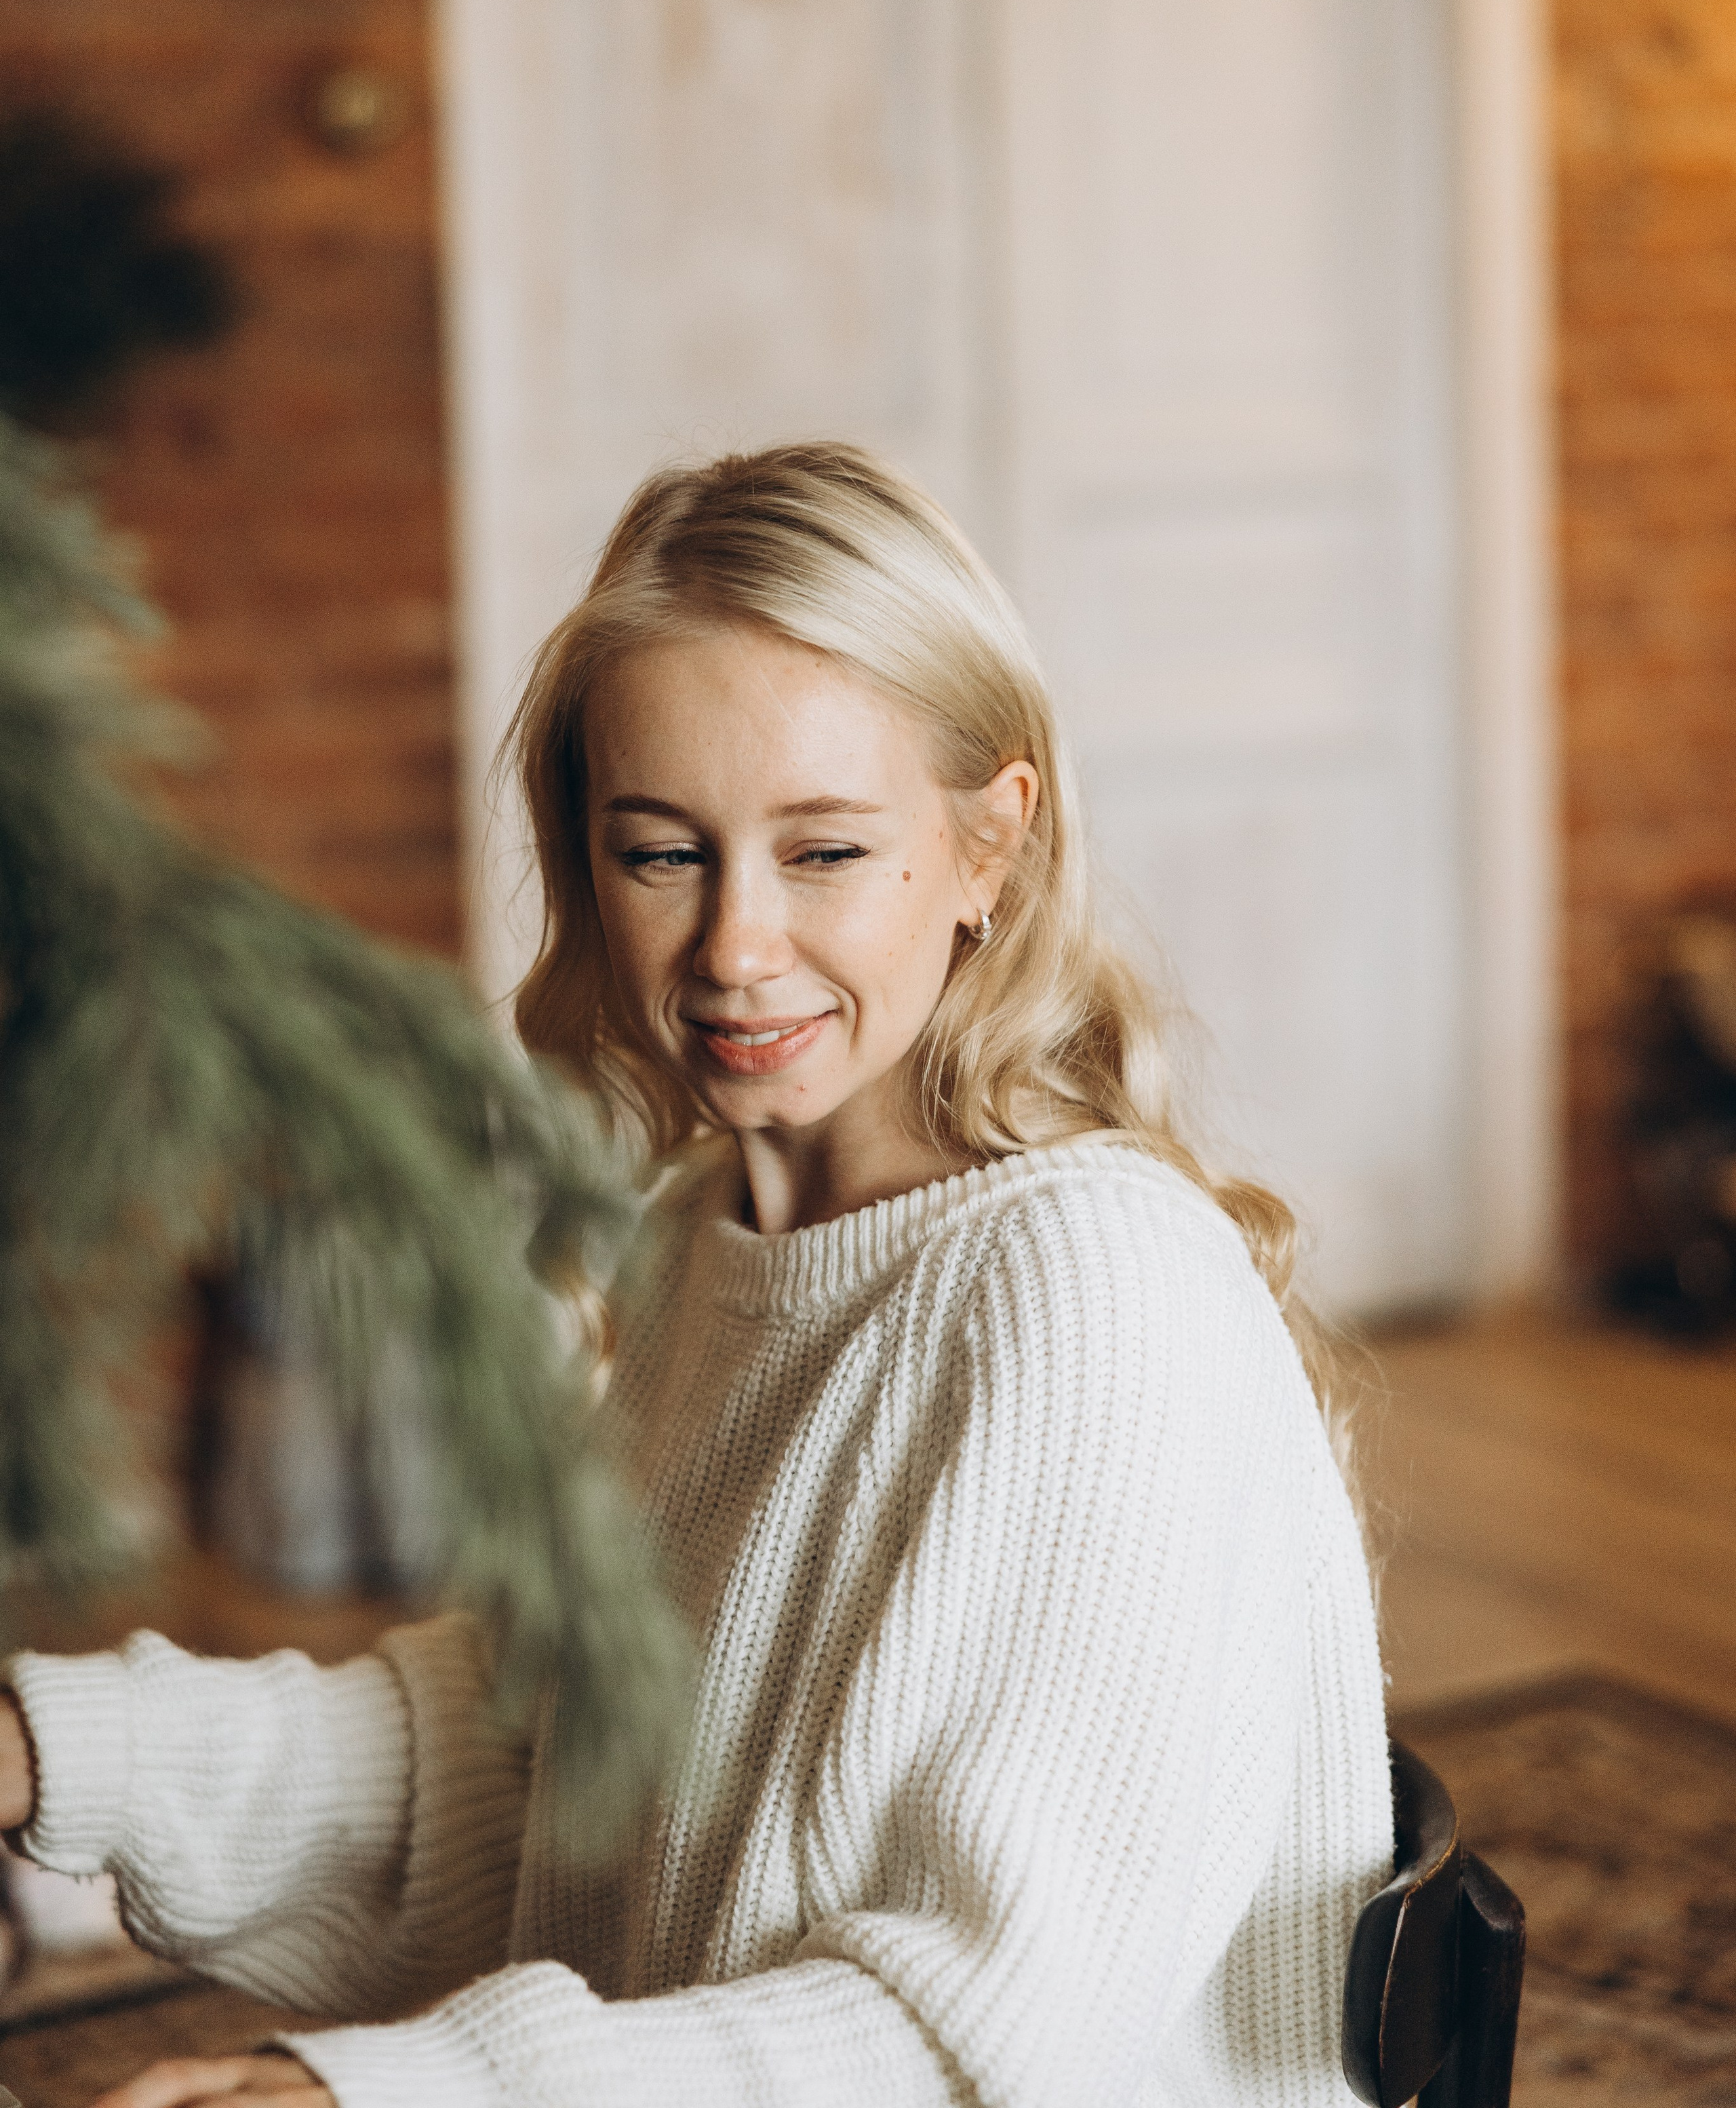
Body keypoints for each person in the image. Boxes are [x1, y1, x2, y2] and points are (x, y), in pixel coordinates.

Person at [0, 444, 1392, 2107]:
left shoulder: (1090, 1288)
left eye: (821, 854)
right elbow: (521, 1761)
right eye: (661, 852)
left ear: (985, 851)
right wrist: (48, 1750)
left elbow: (975, 2039)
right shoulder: (696, 1236)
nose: (732, 946)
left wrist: (396, 2095)